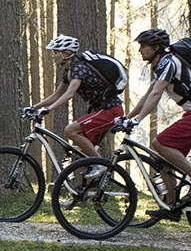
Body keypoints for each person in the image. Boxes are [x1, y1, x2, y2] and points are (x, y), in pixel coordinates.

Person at [117, 28, 191, 216]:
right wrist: (128, 118)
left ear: (156, 47)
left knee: (159, 142)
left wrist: (137, 120)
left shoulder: (169, 62)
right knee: (161, 159)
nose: (140, 50)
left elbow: (156, 95)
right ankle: (171, 207)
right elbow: (148, 95)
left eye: (143, 46)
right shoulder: (160, 65)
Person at [23, 35, 126, 166]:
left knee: (70, 130)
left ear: (66, 53)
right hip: (101, 110)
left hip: (110, 111)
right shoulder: (69, 71)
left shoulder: (78, 68)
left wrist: (48, 110)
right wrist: (34, 107)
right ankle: (85, 185)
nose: (53, 56)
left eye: (55, 52)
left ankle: (101, 166)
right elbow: (56, 95)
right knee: (82, 154)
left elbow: (69, 93)